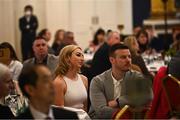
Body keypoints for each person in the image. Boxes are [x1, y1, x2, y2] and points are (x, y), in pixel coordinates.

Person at [88, 43, 153, 119]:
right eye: (123, 57)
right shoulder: (98, 81)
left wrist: (118, 102)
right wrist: (129, 111)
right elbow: (101, 112)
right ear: (112, 60)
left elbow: (149, 96)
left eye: (129, 57)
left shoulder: (136, 76)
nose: (128, 60)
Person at [53, 45, 88, 111]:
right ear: (67, 58)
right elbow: (59, 113)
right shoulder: (59, 82)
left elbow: (85, 107)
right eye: (78, 55)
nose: (82, 59)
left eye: (82, 56)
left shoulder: (84, 79)